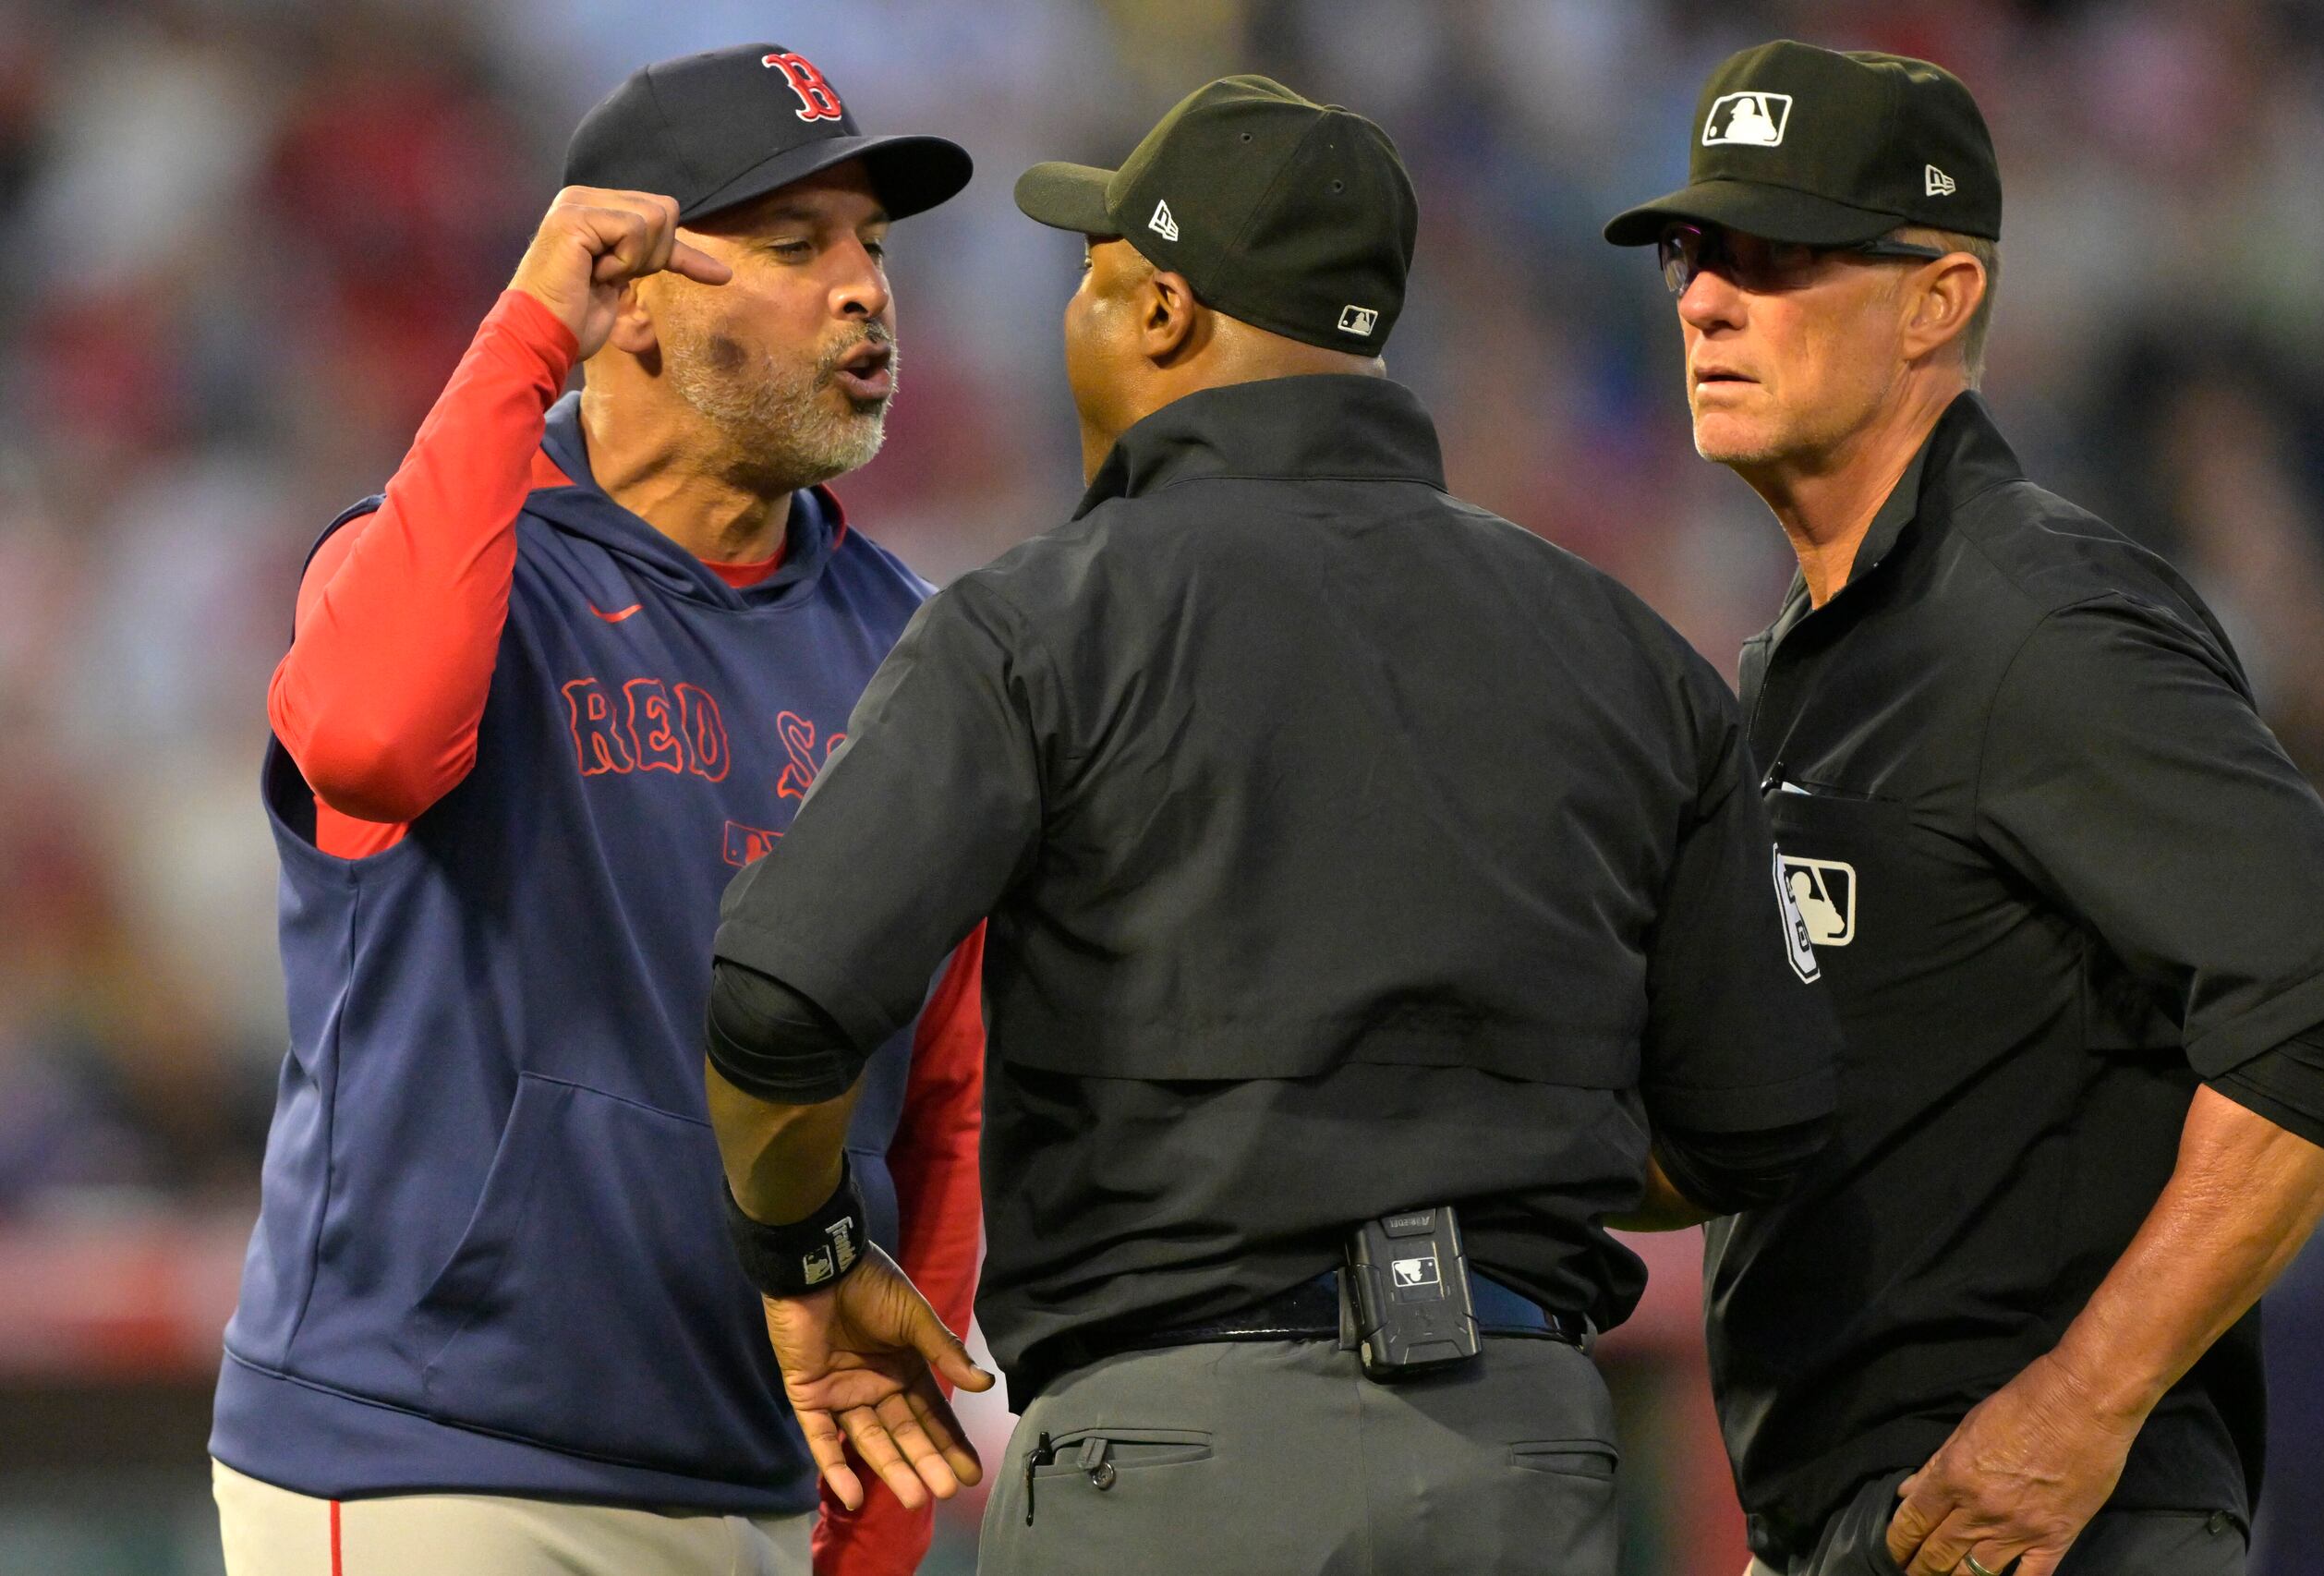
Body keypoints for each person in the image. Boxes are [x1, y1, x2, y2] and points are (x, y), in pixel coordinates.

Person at [695, 74, 1841, 1576]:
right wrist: (1475, 1139)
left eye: (1099, 284)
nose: (1078, 323)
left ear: (1166, 313)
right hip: (1523, 1449)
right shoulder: (1626, 653)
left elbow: (777, 1002)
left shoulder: (1044, 620)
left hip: (1177, 1451)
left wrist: (811, 1254)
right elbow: (1755, 1119)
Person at [211, 43, 986, 1576]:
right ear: (626, 289)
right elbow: (367, 739)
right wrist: (522, 336)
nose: (863, 290)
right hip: (436, 1458)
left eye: (873, 248)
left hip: (753, 1480)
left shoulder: (917, 645)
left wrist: (878, 1528)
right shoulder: (454, 557)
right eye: (791, 245)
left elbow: (944, 1101)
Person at [1604, 39, 2324, 1576]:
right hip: (1870, 1526)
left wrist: (2081, 1407)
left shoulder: (2037, 622)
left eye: (1776, 254)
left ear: (1939, 298)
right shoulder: (1804, 664)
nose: (1702, 297)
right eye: (1695, 252)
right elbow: (1774, 1119)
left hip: (2061, 1524)